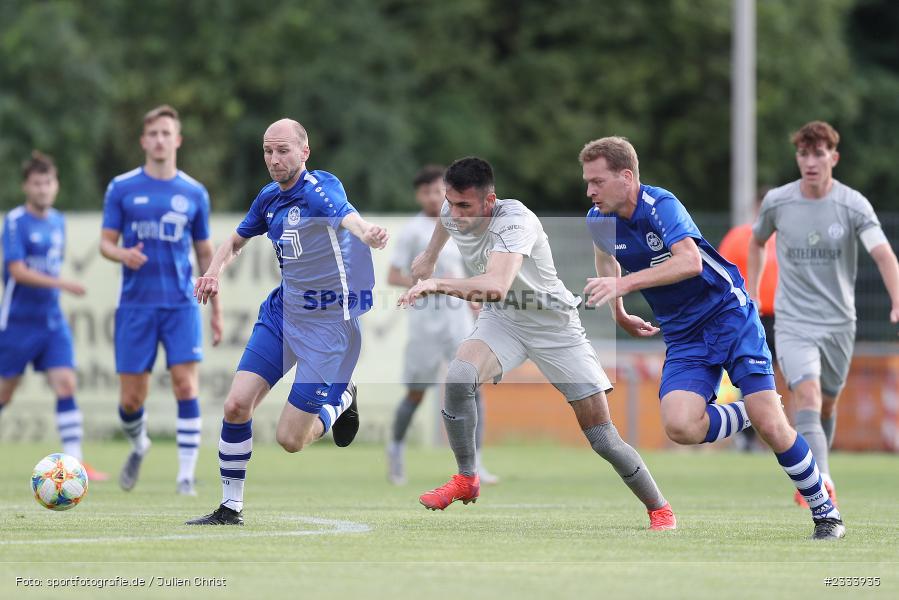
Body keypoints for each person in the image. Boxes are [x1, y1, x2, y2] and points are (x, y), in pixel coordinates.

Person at [580, 135, 844, 539]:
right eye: (588, 182)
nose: (590, 190)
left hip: (728, 315)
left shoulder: (660, 205)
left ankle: (827, 514)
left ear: (626, 176)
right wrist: (620, 311)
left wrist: (624, 286)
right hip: (684, 334)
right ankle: (752, 409)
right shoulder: (598, 219)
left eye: (597, 181)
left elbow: (687, 262)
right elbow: (606, 262)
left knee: (773, 429)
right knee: (681, 427)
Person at [400, 157, 675, 530]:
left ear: (490, 202)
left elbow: (496, 285)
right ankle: (467, 478)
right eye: (451, 202)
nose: (456, 213)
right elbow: (446, 227)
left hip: (554, 326)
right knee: (459, 377)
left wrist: (435, 283)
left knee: (601, 436)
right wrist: (428, 259)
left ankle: (660, 508)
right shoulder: (452, 210)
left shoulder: (516, 221)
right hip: (504, 320)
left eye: (465, 206)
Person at [186, 118, 388, 525]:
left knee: (290, 440)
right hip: (283, 313)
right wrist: (213, 272)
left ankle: (342, 398)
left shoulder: (320, 190)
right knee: (236, 404)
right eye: (267, 151)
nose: (274, 160)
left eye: (282, 151)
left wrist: (366, 232)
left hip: (328, 325)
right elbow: (235, 241)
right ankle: (230, 508)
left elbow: (347, 217)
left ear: (304, 152)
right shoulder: (268, 198)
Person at [747, 120, 899, 508]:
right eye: (803, 153)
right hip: (794, 321)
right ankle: (821, 484)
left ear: (834, 157)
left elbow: (882, 254)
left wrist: (897, 300)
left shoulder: (852, 204)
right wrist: (751, 291)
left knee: (827, 403)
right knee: (808, 394)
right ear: (797, 157)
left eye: (818, 153)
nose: (810, 161)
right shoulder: (778, 201)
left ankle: (818, 472)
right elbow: (757, 243)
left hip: (839, 325)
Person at [100, 105, 222, 496]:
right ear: (143, 141)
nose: (159, 140)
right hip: (136, 306)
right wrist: (123, 254)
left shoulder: (193, 192)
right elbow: (105, 243)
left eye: (166, 133)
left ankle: (185, 476)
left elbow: (206, 255)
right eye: (153, 134)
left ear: (178, 140)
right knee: (131, 398)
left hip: (181, 304)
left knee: (186, 386)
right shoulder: (122, 187)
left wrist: (216, 308)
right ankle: (140, 443)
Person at [386, 165, 497, 485]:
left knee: (470, 385)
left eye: (438, 190)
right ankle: (395, 449)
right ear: (418, 194)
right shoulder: (412, 231)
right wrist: (429, 283)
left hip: (457, 319)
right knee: (416, 393)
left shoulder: (463, 223)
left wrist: (474, 300)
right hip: (424, 324)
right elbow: (393, 275)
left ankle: (475, 463)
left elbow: (472, 271)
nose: (433, 197)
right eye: (426, 191)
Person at [1, 152, 106, 481]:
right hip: (17, 322)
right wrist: (62, 283)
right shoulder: (15, 221)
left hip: (51, 321)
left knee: (66, 384)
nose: (43, 189)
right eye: (37, 183)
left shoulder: (58, 221)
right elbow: (17, 271)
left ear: (56, 185)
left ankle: (75, 463)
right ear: (26, 187)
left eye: (48, 182)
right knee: (5, 392)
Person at [717, 186, 778, 452]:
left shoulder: (789, 239)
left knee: (798, 378)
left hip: (786, 318)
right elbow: (722, 275)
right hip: (750, 317)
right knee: (751, 376)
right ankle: (748, 436)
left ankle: (795, 434)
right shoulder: (740, 236)